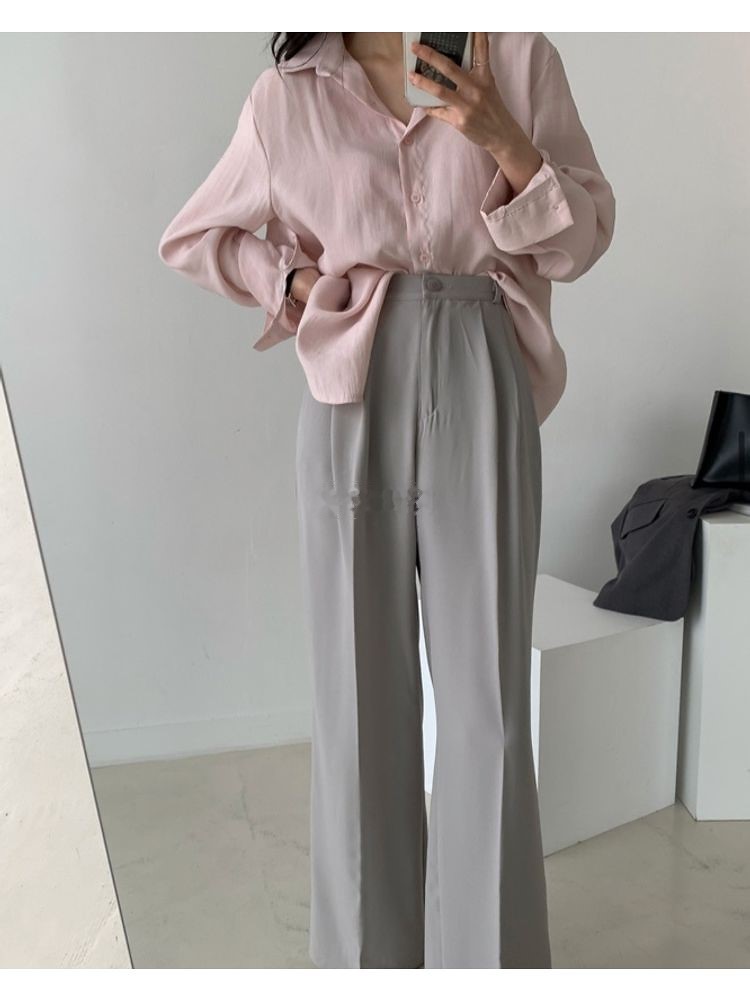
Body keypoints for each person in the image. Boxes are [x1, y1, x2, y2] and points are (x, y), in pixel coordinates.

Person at [158, 31, 616, 969]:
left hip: (481, 359)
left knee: (488, 704)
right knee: (357, 702)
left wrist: (502, 136)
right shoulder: (286, 96)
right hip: (350, 390)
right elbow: (196, 235)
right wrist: (288, 281)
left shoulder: (512, 53)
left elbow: (584, 237)